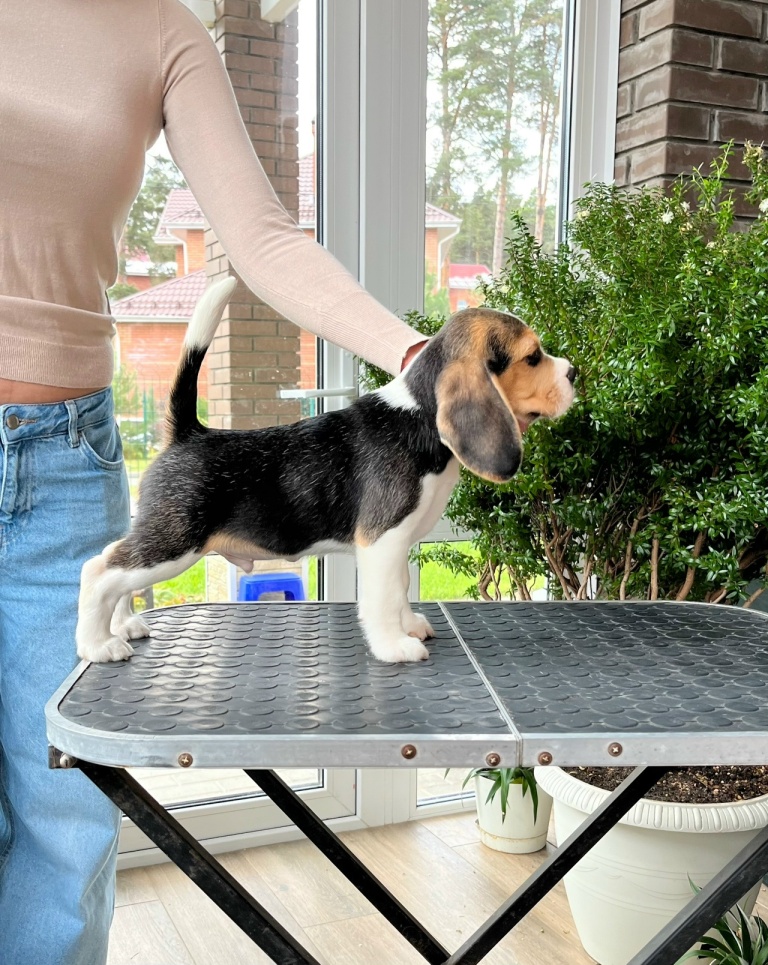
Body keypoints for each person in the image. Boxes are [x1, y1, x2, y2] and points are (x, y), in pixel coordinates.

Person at [0, 2, 427, 963]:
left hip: (64, 463)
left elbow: (263, 239)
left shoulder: (162, 30)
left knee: (70, 821)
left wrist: (420, 357)